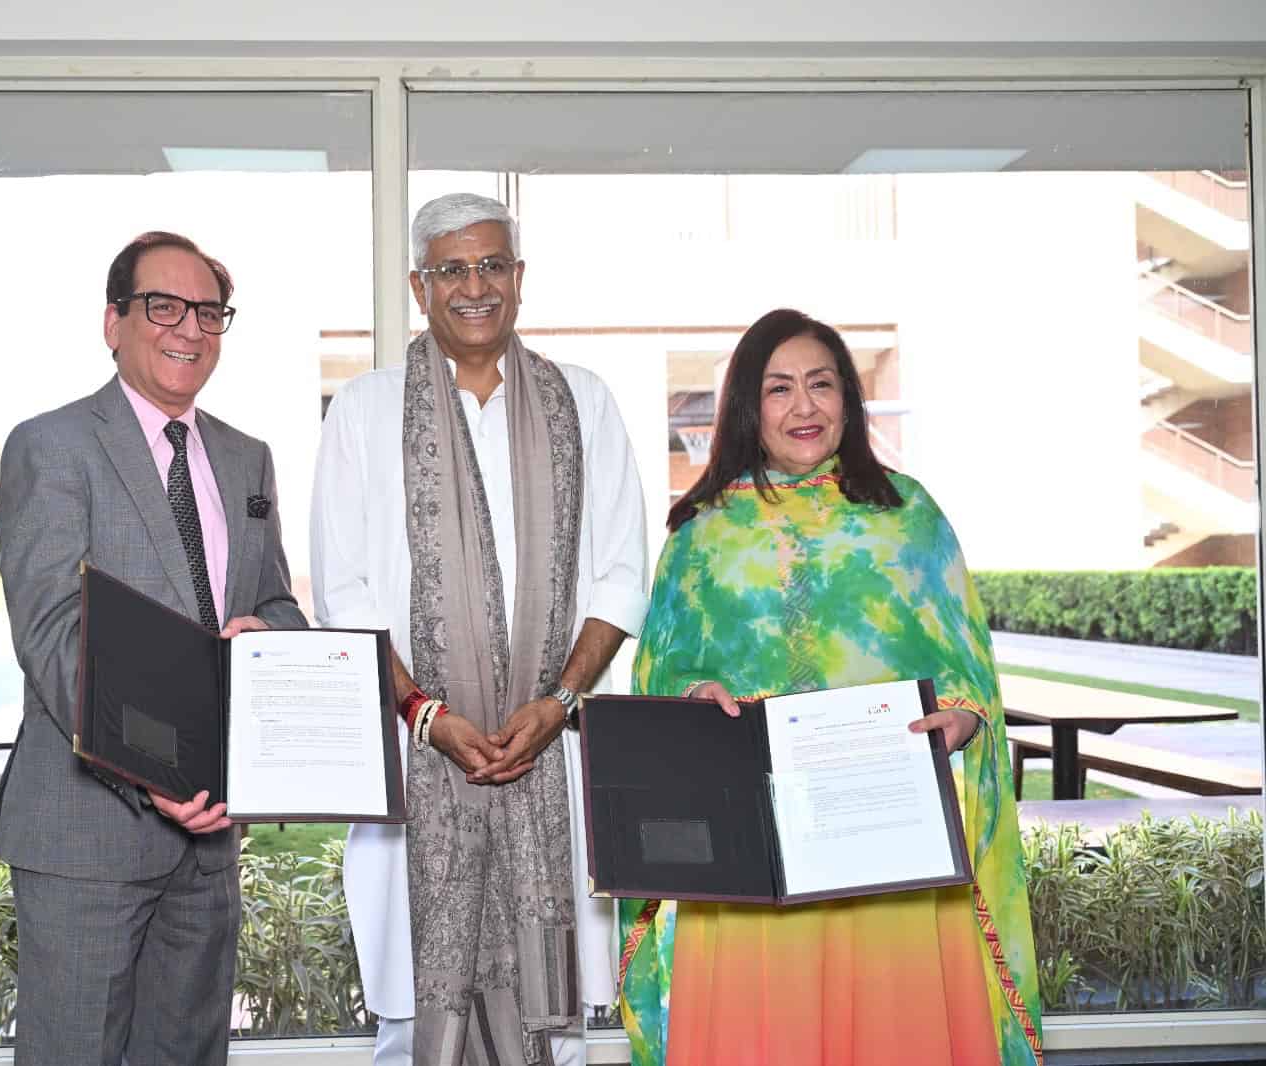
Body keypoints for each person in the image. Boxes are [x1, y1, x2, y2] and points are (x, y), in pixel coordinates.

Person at [621, 308, 1043, 1066]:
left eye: (821, 384)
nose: (804, 407)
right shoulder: (700, 535)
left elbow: (968, 671)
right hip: (756, 859)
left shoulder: (909, 518)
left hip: (890, 847)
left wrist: (962, 722)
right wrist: (694, 701)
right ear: (748, 408)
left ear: (849, 397)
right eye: (779, 389)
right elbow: (663, 673)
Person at [310, 192, 649, 1066]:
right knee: (409, 1026)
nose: (474, 286)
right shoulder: (364, 410)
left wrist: (559, 702)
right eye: (452, 269)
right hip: (417, 755)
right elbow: (343, 598)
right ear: (421, 287)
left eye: (491, 264)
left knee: (562, 1027)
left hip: (556, 755)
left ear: (520, 279)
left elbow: (620, 574)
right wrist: (428, 714)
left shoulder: (586, 402)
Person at [0, 231, 305, 1066]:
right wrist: (158, 776)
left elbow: (274, 600)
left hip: (209, 842)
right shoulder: (51, 446)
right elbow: (54, 635)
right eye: (163, 305)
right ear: (113, 322)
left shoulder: (247, 458)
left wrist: (268, 636)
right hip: (86, 831)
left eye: (208, 311)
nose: (189, 329)